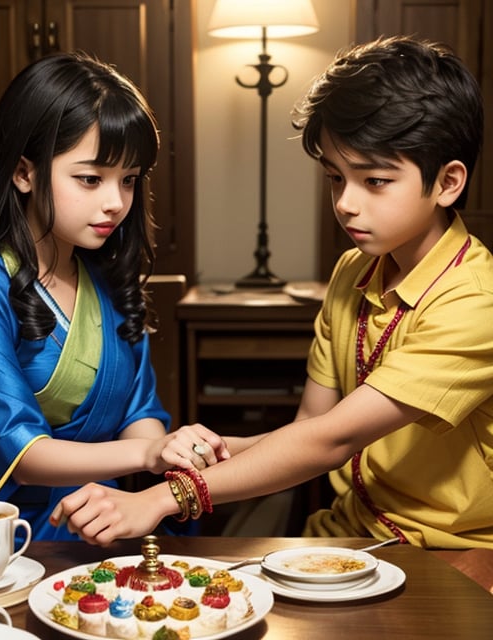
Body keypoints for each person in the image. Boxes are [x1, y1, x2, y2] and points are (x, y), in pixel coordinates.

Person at [52, 36, 493, 549]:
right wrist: (200, 451)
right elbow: (310, 427)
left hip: (451, 553)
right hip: (347, 539)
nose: (346, 203)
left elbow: (331, 440)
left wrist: (160, 499)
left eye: (374, 181)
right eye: (335, 177)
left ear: (448, 182)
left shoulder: (475, 301)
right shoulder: (354, 271)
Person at [0, 51, 229, 541]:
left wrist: (168, 451)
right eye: (90, 178)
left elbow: (140, 416)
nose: (116, 202)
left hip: (99, 514)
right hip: (0, 530)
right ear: (24, 173)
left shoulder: (109, 282)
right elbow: (23, 456)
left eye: (129, 180)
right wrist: (148, 454)